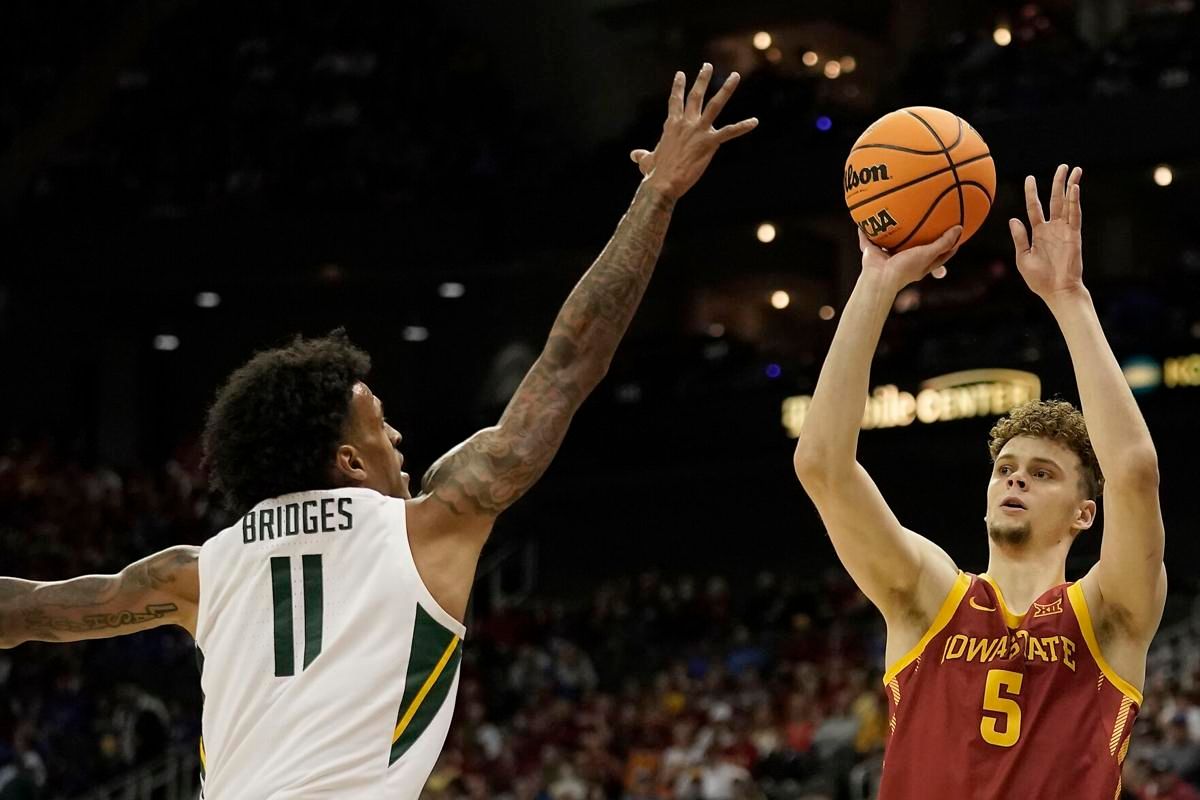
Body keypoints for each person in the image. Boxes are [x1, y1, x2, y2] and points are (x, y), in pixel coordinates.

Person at [0, 64, 757, 798]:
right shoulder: (432, 526)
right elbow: (566, 363)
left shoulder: (193, 572)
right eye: (382, 424)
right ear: (347, 460)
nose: (399, 439)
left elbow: (29, 611)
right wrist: (655, 196)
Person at [792, 165, 1165, 797]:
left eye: (1042, 474)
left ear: (1084, 513)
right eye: (1005, 469)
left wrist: (1069, 300)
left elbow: (1132, 472)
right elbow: (822, 467)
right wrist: (876, 284)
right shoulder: (931, 599)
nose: (1014, 481)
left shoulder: (1109, 617)